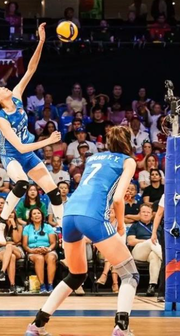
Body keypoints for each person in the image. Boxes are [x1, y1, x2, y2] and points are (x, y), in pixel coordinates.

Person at [25, 126, 138, 336]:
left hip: (70, 214)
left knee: (76, 275)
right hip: (92, 216)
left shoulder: (94, 158)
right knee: (130, 273)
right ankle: (121, 328)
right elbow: (117, 198)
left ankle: (36, 325)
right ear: (128, 142)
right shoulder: (128, 161)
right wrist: (121, 225)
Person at [0, 23, 64, 247]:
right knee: (21, 183)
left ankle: (63, 228)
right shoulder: (1, 119)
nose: (4, 87)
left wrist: (41, 42)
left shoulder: (17, 96)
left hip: (28, 154)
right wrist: (48, 141)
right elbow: (19, 148)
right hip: (12, 156)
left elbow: (31, 69)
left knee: (54, 192)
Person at [126, 204, 162, 297]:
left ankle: (152, 285)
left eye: (148, 212)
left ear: (152, 215)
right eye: (143, 212)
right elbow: (130, 241)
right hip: (139, 251)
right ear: (139, 213)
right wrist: (146, 242)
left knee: (154, 256)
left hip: (153, 251)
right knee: (151, 241)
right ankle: (166, 260)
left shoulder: (157, 227)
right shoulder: (135, 226)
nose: (146, 214)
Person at [22, 208, 58, 294]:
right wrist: (31, 250)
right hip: (33, 251)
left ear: (42, 215)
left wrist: (48, 249)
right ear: (31, 217)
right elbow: (25, 245)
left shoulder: (48, 227)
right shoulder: (27, 228)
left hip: (47, 249)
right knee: (39, 258)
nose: (37, 215)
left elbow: (53, 243)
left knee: (51, 257)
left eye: (38, 213)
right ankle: (42, 285)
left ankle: (50, 285)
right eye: (34, 214)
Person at [0, 210, 24, 294]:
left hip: (16, 249)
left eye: (12, 212)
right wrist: (10, 243)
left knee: (9, 247)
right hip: (0, 249)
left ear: (15, 214)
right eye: (8, 212)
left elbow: (17, 240)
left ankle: (2, 271)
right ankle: (12, 286)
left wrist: (13, 225)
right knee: (12, 257)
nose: (10, 214)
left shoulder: (19, 226)